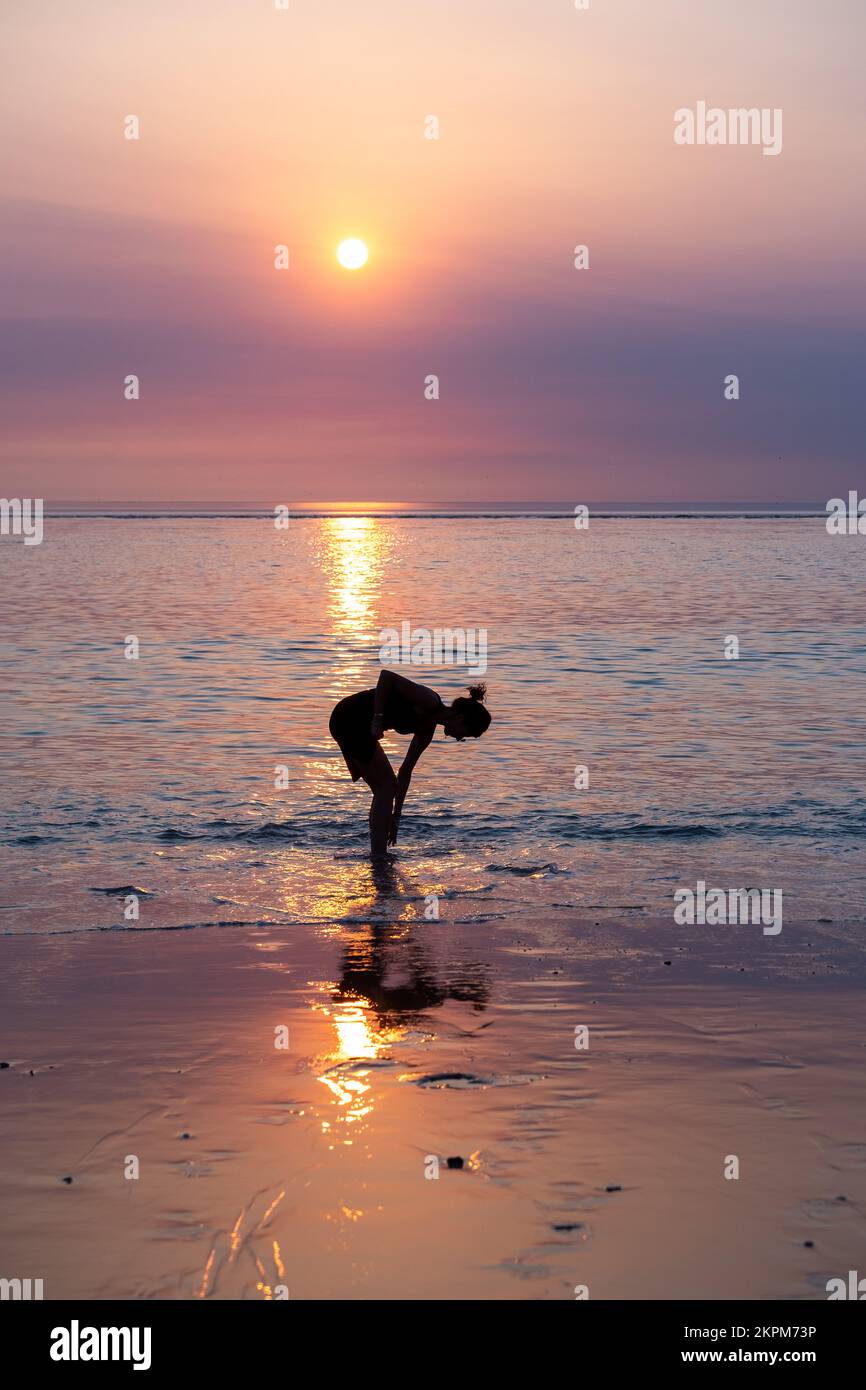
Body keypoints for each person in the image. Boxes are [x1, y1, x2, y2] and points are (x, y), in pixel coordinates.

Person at [329, 669, 491, 856]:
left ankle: (378, 856)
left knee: (385, 790)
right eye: (464, 734)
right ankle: (379, 858)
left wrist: (396, 816)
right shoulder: (429, 700)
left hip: (362, 726)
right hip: (349, 717)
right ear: (460, 719)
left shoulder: (426, 732)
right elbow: (386, 676)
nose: (458, 738)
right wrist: (378, 718)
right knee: (386, 787)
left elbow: (405, 772)